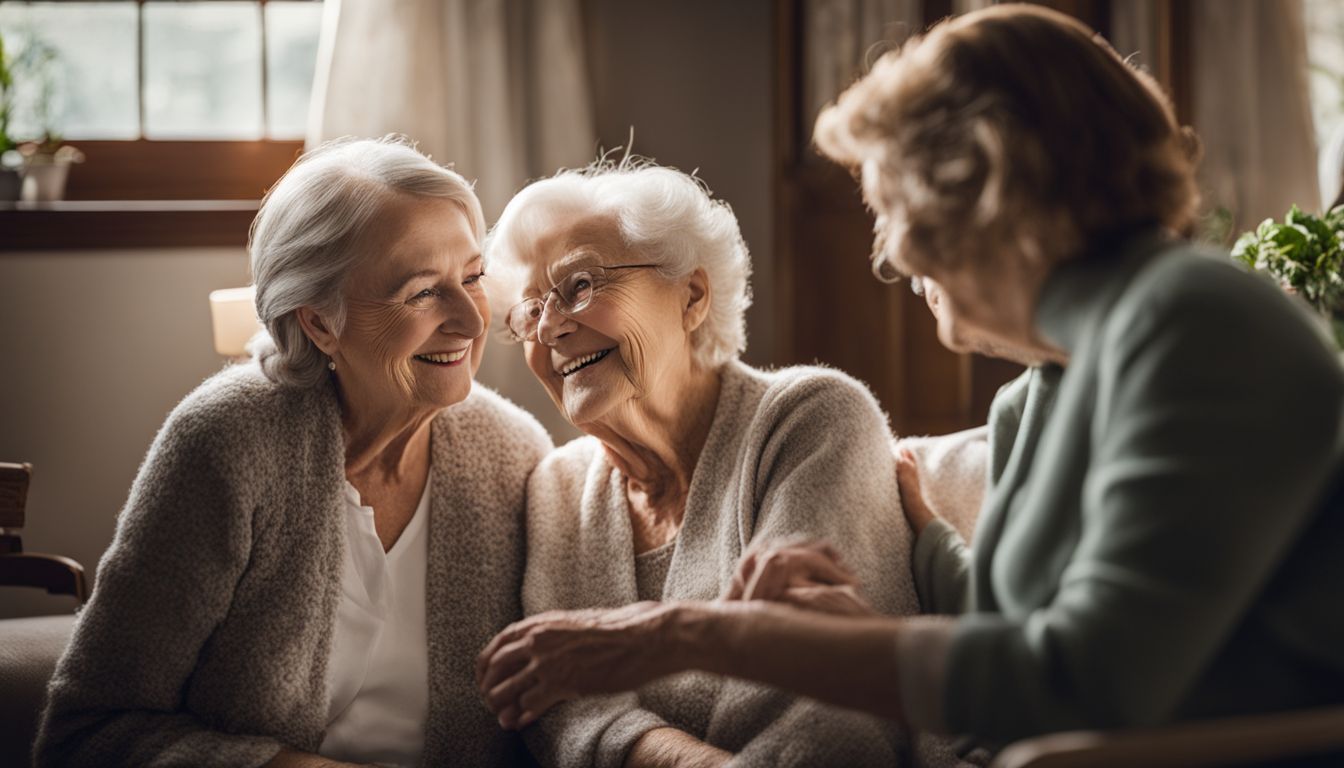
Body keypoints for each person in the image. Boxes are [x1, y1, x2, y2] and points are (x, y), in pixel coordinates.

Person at [476, 3, 1344, 752]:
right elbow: (1005, 639)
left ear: (988, 186)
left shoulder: (1200, 324)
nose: (889, 253)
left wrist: (689, 634)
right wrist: (877, 596)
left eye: (894, 205)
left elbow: (1086, 684)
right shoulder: (1037, 393)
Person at [35, 136, 553, 768]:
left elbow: (556, 709)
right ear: (319, 322)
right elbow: (88, 732)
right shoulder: (227, 444)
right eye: (421, 292)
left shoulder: (513, 455)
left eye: (472, 277)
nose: (472, 323)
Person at [479, 160, 954, 767]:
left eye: (579, 287)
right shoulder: (559, 487)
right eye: (529, 312)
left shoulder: (809, 421)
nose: (548, 329)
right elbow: (560, 709)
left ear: (693, 296)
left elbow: (829, 723)